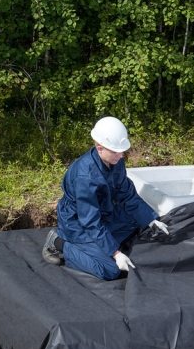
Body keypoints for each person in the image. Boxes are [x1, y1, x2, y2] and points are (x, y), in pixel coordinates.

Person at [42, 116, 169, 279]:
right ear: (99, 147)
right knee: (110, 270)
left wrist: (151, 219)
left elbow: (127, 194)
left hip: (103, 213)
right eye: (116, 151)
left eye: (122, 150)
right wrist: (116, 254)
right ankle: (59, 242)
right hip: (77, 224)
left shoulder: (116, 161)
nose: (121, 155)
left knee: (137, 221)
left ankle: (102, 245)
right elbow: (90, 221)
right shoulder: (85, 176)